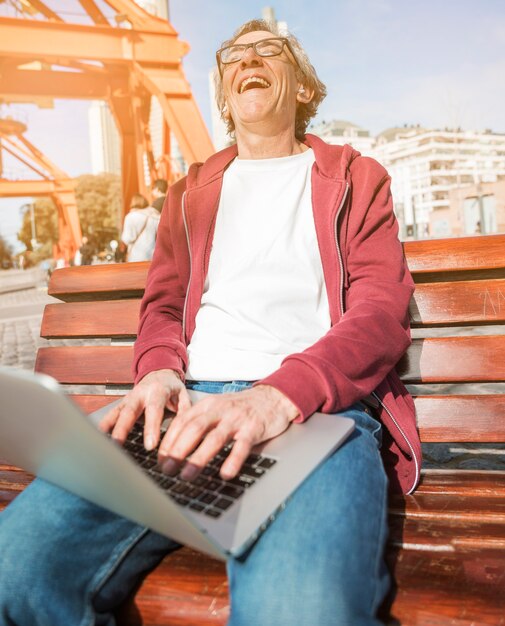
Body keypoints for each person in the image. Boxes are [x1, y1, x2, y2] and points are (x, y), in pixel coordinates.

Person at [0, 19, 421, 626]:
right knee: (14, 571)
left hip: (310, 415)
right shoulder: (188, 194)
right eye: (233, 56)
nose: (248, 59)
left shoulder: (357, 178)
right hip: (180, 413)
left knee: (297, 612)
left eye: (268, 50)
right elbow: (163, 308)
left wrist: (279, 395)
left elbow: (380, 313)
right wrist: (158, 374)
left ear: (303, 88)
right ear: (223, 95)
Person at [120, 193, 160, 262]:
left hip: (136, 256)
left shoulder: (130, 217)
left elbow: (127, 239)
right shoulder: (156, 216)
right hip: (152, 256)